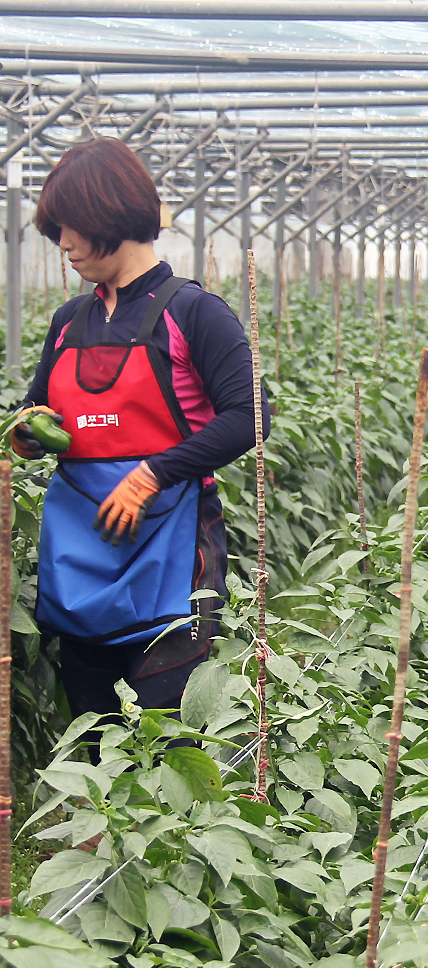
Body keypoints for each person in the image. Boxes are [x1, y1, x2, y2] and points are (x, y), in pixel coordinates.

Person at [16, 136, 268, 739]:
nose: (65, 246)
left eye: (71, 228)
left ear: (111, 213)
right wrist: (26, 434)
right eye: (57, 233)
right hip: (84, 545)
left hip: (171, 540)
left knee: (167, 723)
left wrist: (152, 472)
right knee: (93, 724)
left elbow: (249, 415)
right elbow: (37, 410)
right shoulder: (69, 322)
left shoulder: (193, 312)